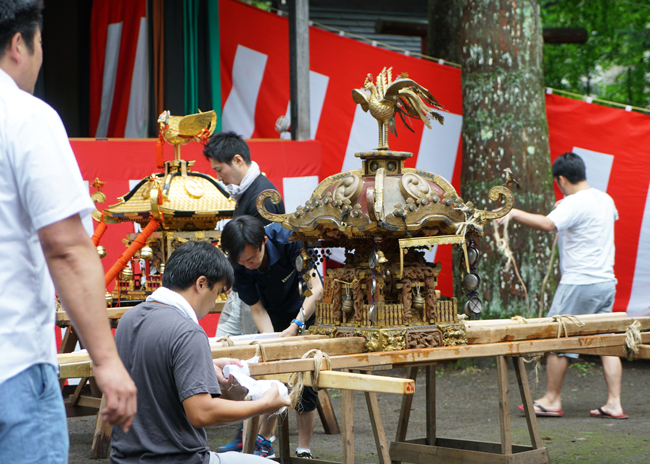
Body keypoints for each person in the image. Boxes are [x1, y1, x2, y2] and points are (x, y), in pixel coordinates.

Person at [0, 2, 137, 462]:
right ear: (20, 44)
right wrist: (107, 362)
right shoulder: (24, 116)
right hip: (12, 364)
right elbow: (65, 247)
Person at [110, 240, 291, 463]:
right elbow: (202, 413)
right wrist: (263, 405)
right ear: (201, 283)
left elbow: (157, 370)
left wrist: (206, 363)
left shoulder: (129, 319)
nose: (213, 302)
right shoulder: (187, 331)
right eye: (216, 293)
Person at [498, 152, 626, 419]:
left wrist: (514, 213)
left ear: (561, 179)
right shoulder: (604, 199)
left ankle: (552, 399)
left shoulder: (574, 203)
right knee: (607, 344)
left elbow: (548, 224)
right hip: (606, 281)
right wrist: (567, 206)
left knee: (557, 338)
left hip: (579, 282)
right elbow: (590, 220)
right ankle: (614, 402)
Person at [204, 131, 286, 453]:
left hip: (258, 295)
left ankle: (251, 436)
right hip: (246, 291)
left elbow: (270, 253)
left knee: (247, 361)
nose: (219, 177)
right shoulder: (248, 191)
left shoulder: (265, 194)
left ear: (238, 160)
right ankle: (244, 431)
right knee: (232, 356)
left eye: (219, 170)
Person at [220, 215, 323, 459]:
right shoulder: (238, 266)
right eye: (241, 261)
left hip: (305, 312)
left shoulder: (290, 238)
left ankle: (304, 449)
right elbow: (257, 309)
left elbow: (317, 289)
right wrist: (272, 341)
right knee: (269, 378)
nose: (248, 264)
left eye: (252, 258)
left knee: (305, 381)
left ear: (264, 241)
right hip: (272, 319)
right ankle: (264, 440)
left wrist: (297, 323)